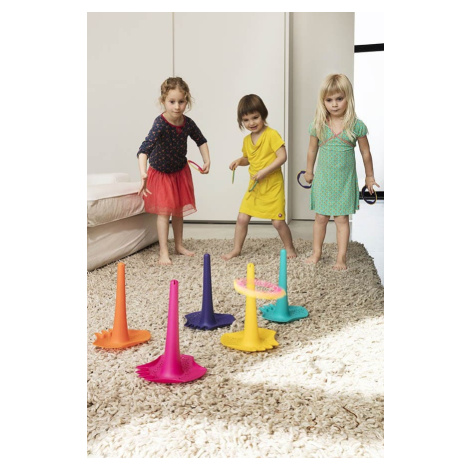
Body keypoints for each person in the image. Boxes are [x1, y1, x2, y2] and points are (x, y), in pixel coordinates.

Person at [304, 73, 379, 270]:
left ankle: (341, 258)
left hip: (344, 181)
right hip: (324, 180)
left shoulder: (356, 126)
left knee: (342, 219)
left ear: (348, 98)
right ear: (323, 101)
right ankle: (317, 252)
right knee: (321, 218)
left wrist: (369, 176)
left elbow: (365, 152)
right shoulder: (318, 125)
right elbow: (312, 150)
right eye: (329, 100)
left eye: (339, 98)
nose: (334, 104)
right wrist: (309, 171)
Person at [137, 77, 211, 265]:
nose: (177, 107)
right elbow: (144, 149)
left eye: (181, 101)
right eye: (172, 102)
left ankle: (179, 245)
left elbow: (201, 140)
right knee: (164, 213)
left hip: (180, 172)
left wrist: (206, 160)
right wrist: (143, 172)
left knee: (178, 211)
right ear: (163, 101)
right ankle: (163, 251)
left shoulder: (187, 123)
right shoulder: (160, 124)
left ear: (187, 101)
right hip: (161, 174)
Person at [222, 94, 296, 260]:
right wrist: (239, 161)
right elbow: (248, 159)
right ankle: (236, 249)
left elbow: (282, 156)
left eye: (255, 117)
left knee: (277, 222)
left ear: (263, 115)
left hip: (272, 185)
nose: (251, 123)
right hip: (255, 187)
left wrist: (265, 171)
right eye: (246, 120)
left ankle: (289, 247)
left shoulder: (272, 135)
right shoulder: (247, 140)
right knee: (242, 218)